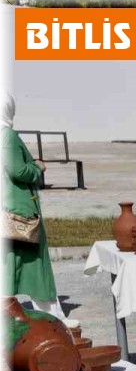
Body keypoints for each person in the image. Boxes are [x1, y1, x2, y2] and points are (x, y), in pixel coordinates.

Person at [2, 95, 76, 328]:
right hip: (19, 211)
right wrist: (37, 167)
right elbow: (17, 171)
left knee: (11, 263)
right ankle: (55, 319)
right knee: (36, 265)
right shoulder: (7, 135)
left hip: (7, 209)